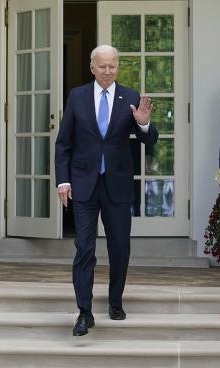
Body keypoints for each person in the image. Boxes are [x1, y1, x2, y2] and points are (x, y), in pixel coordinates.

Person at [55, 44, 158, 336]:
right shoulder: (77, 96)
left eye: (113, 66)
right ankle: (84, 312)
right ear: (92, 67)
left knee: (120, 247)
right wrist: (63, 181)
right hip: (84, 184)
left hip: (118, 184)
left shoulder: (131, 97)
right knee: (84, 248)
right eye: (103, 66)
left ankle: (115, 302)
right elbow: (63, 143)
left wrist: (144, 123)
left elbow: (149, 141)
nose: (108, 71)